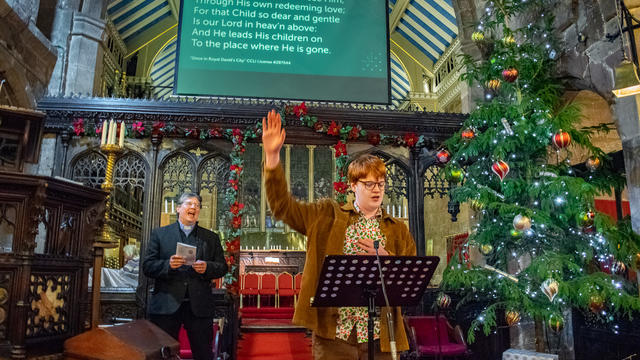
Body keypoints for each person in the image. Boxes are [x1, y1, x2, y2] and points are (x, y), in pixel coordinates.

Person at [262, 109, 417, 360]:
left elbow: (410, 279)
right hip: (335, 334)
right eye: (369, 184)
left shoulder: (396, 228)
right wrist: (271, 157)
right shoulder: (325, 216)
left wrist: (388, 258)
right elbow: (282, 207)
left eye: (381, 183)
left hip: (380, 335)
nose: (377, 190)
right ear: (353, 185)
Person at [142, 192, 227, 360]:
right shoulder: (160, 234)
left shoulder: (210, 238)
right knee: (163, 354)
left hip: (199, 306)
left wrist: (207, 267)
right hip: (167, 304)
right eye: (189, 204)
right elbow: (147, 266)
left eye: (197, 205)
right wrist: (168, 265)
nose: (194, 207)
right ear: (178, 208)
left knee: (203, 353)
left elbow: (222, 267)